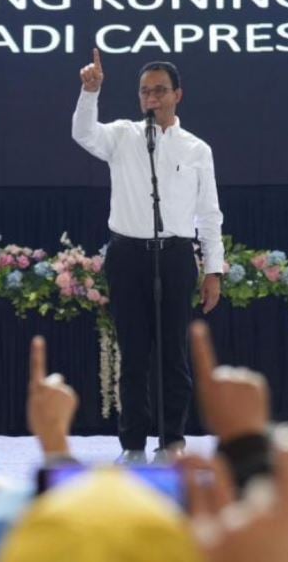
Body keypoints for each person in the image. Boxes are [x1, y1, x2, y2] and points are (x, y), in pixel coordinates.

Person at [72, 49, 225, 462]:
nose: (152, 98)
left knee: (173, 356)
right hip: (127, 254)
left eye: (160, 90)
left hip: (175, 255)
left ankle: (172, 440)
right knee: (134, 355)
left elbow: (209, 212)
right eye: (145, 92)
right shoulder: (123, 135)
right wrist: (91, 92)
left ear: (178, 94)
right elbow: (84, 135)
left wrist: (214, 269)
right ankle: (134, 445)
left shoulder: (197, 149)